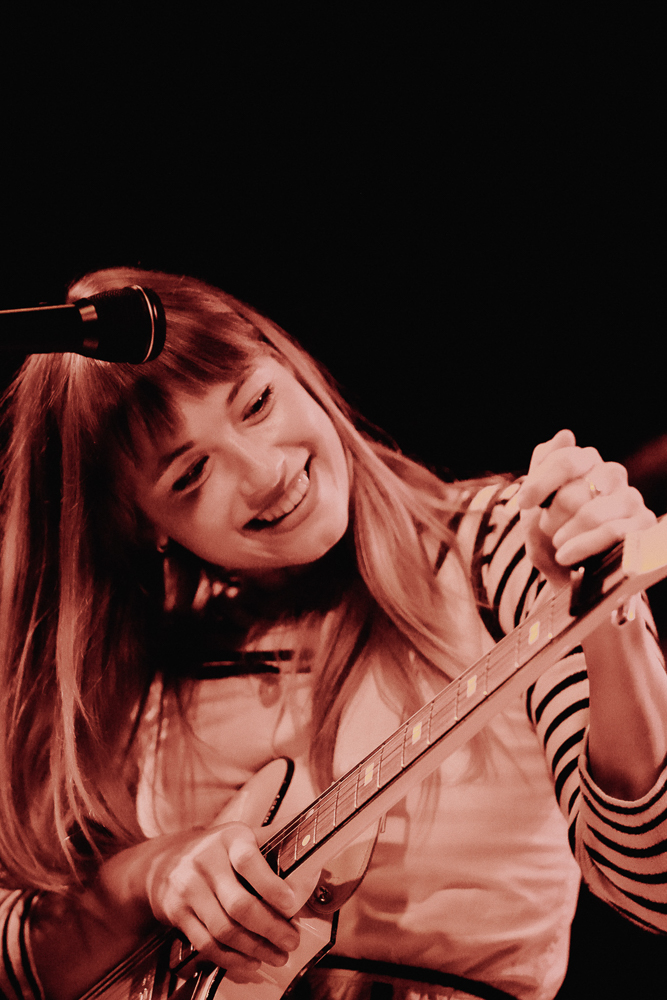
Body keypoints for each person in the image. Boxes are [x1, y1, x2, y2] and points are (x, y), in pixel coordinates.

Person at [0, 267, 666, 1000]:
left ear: (290, 366)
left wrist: (611, 620)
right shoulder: (136, 656)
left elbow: (655, 888)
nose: (263, 472)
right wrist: (144, 880)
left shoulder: (499, 546)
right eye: (190, 475)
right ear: (139, 524)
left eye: (257, 403)